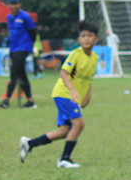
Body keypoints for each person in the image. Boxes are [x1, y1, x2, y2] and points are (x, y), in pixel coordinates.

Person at [19, 21, 100, 168]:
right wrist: (73, 90)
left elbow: (88, 78)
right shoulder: (76, 54)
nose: (86, 39)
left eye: (90, 36)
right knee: (79, 124)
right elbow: (63, 73)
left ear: (96, 39)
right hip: (64, 94)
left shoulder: (94, 57)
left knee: (64, 131)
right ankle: (64, 159)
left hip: (71, 97)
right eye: (83, 36)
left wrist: (88, 95)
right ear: (79, 39)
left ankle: (30, 143)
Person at [0, 0, 37, 108]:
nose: (14, 6)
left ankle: (6, 100)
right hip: (13, 48)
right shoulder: (9, 17)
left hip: (23, 48)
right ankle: (30, 100)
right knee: (22, 75)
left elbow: (33, 31)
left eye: (15, 4)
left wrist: (30, 44)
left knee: (14, 73)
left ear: (19, 4)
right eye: (11, 4)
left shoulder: (25, 16)